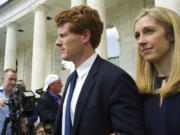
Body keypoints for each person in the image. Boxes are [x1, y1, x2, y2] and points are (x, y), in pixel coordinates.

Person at [54, 5, 146, 135]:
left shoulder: (116, 79)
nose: (57, 42)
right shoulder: (71, 79)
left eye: (63, 35)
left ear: (85, 36)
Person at [133, 7, 180, 135]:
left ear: (171, 34)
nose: (141, 41)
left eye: (149, 31)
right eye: (137, 35)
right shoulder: (140, 92)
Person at [0, 69, 17, 135]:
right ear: (3, 79)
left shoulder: (17, 97)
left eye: (15, 80)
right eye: (10, 79)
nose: (13, 82)